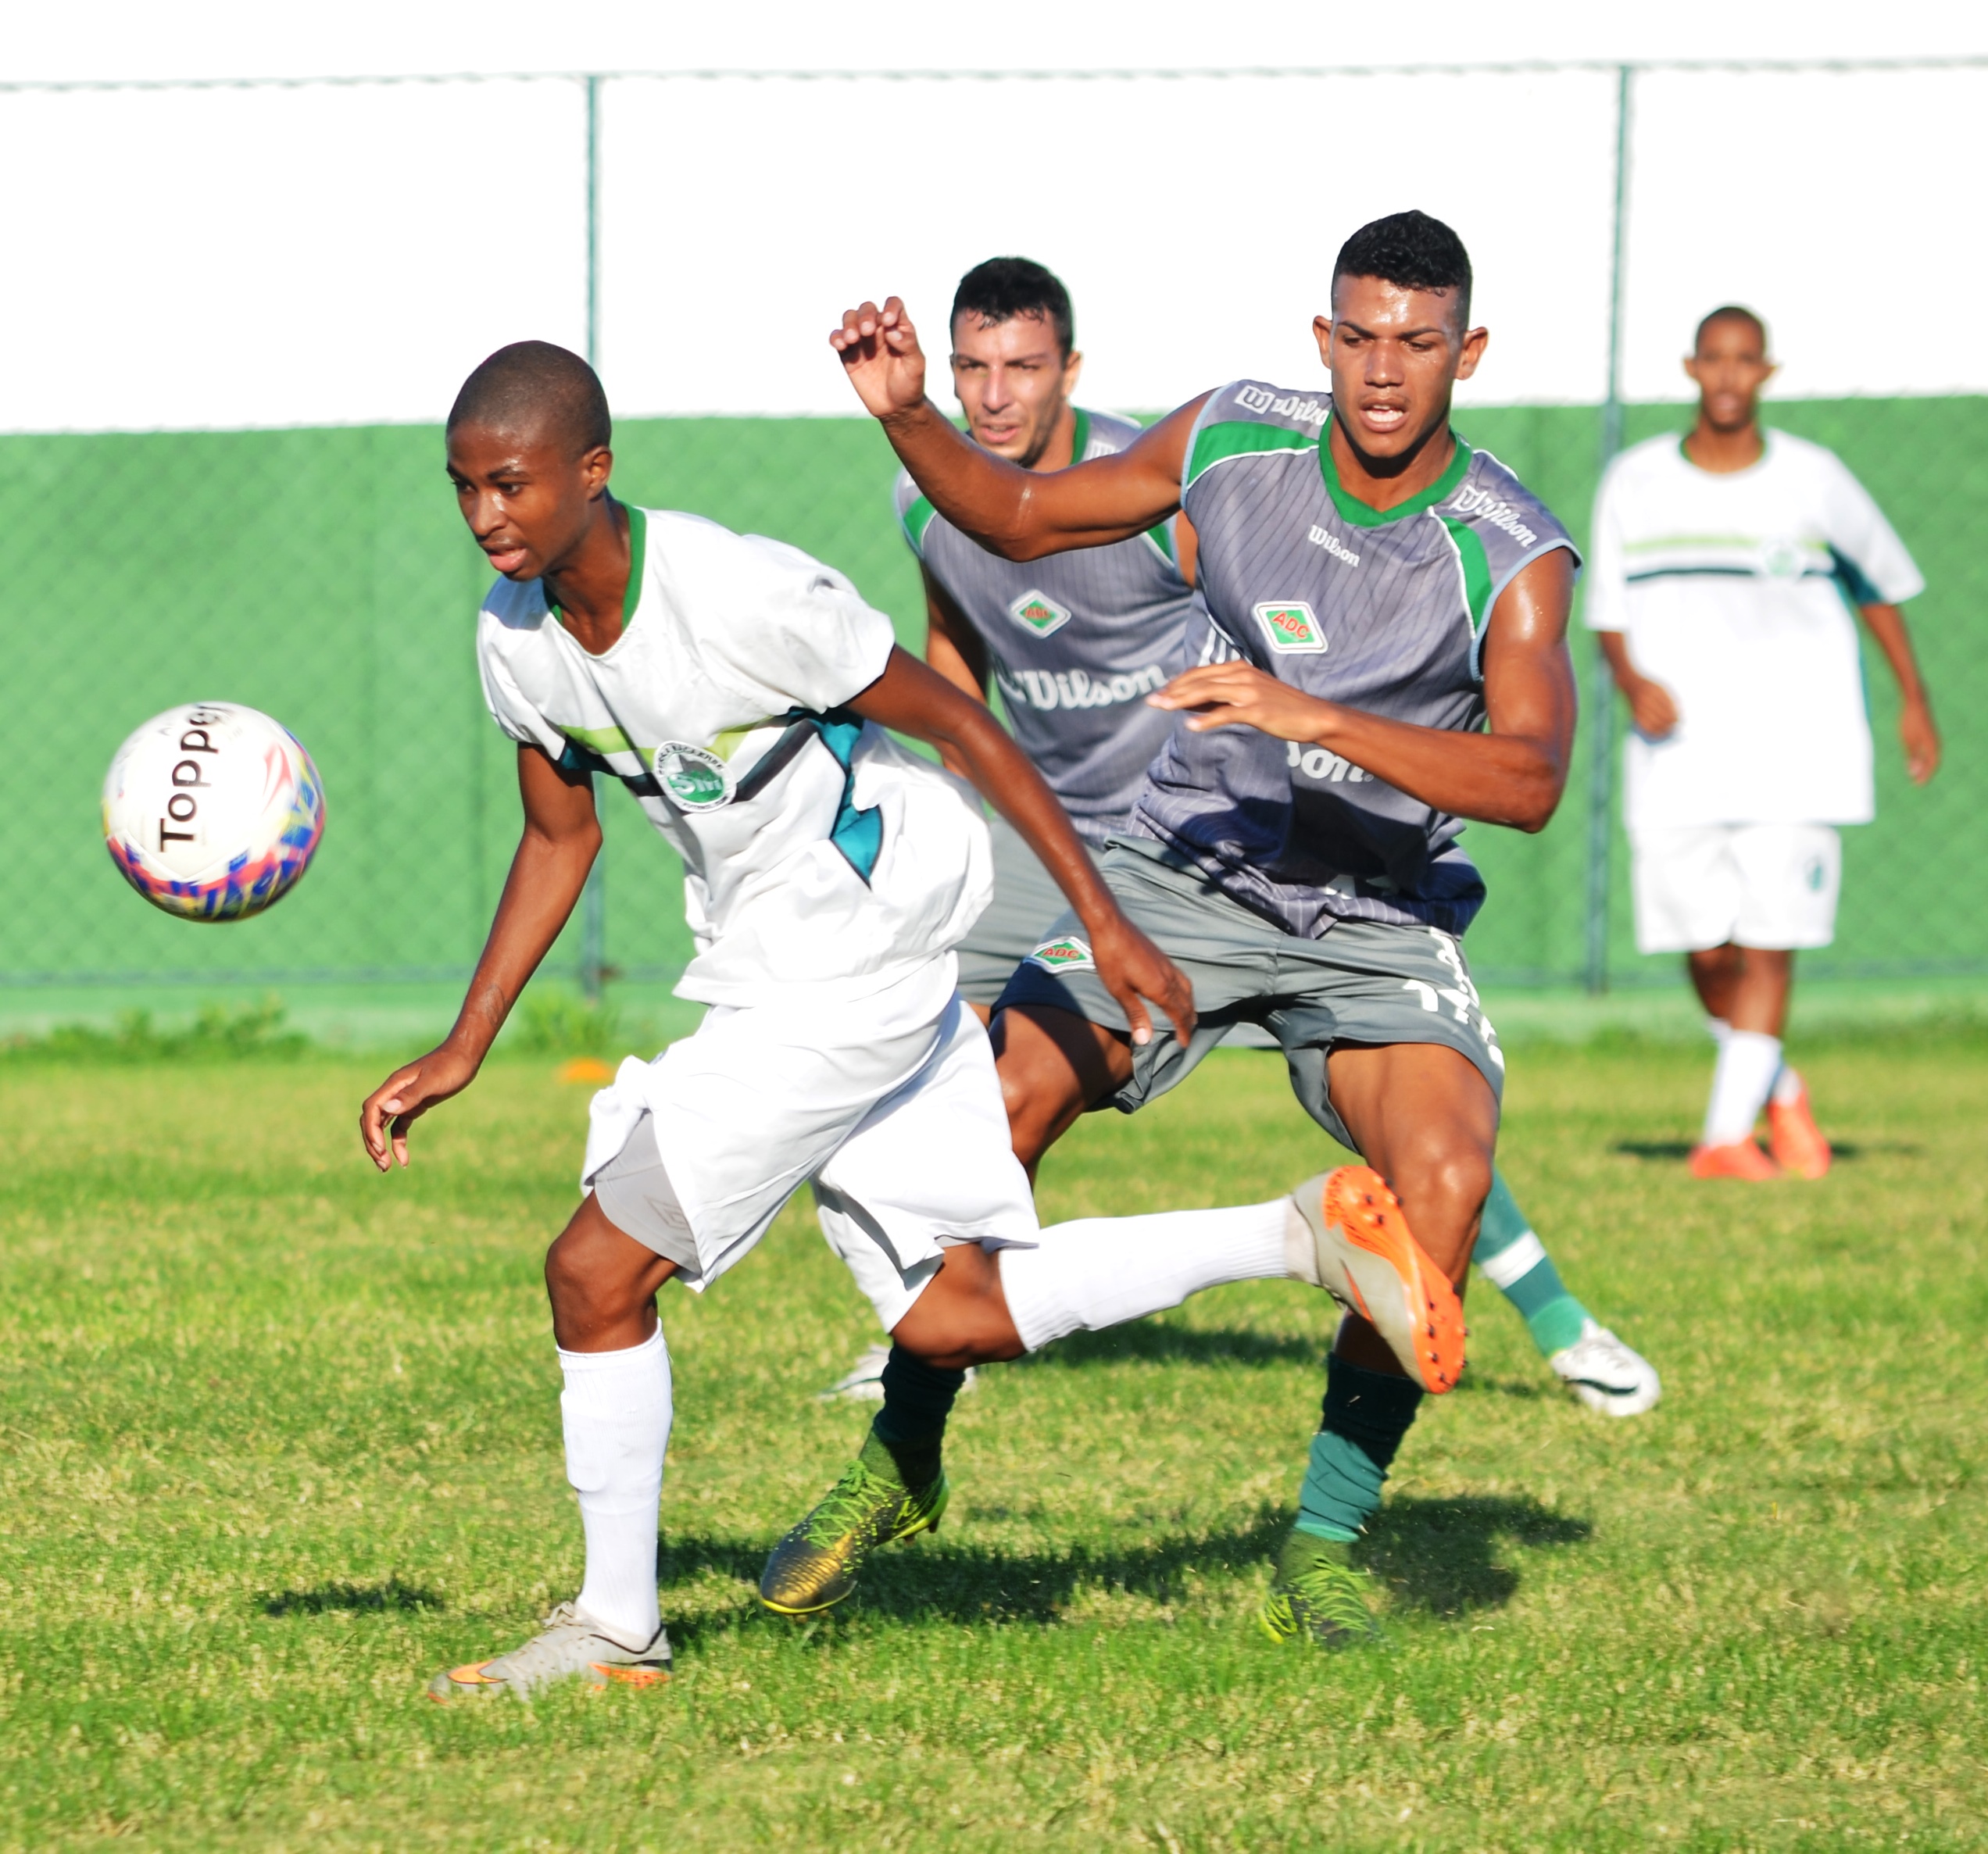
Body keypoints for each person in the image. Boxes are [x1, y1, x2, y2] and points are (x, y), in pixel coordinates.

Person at [362, 340, 1460, 1700]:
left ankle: (615, 1627)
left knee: (593, 1273)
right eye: (463, 487)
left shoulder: (740, 594)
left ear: (592, 470)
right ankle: (1296, 1232)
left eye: (512, 484)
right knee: (951, 1314)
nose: (486, 516)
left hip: (844, 963)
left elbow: (966, 727)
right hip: (815, 962)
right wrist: (463, 1045)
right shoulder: (513, 636)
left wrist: (1105, 925)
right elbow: (553, 835)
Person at [768, 211, 1625, 1649]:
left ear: (1463, 353)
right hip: (1187, 861)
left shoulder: (1508, 549)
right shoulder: (1235, 436)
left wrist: (1312, 714)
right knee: (991, 1111)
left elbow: (1531, 776)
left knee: (1439, 1185)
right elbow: (1022, 516)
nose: (1381, 370)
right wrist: (909, 410)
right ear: (1321, 338)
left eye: (1417, 342)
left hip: (1374, 913)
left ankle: (1321, 1543)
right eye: (1357, 335)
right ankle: (900, 1461)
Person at [1589, 306, 1938, 1180]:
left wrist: (1914, 701)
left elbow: (1883, 588)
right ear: (1692, 368)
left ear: (1767, 373)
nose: (1731, 376)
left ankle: (1724, 1139)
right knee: (1705, 948)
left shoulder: (1816, 480)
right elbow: (1607, 617)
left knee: (1772, 940)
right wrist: (1633, 682)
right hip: (1674, 760)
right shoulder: (1633, 481)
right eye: (1716, 360)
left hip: (1800, 755)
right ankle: (1776, 1089)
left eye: (1748, 362)